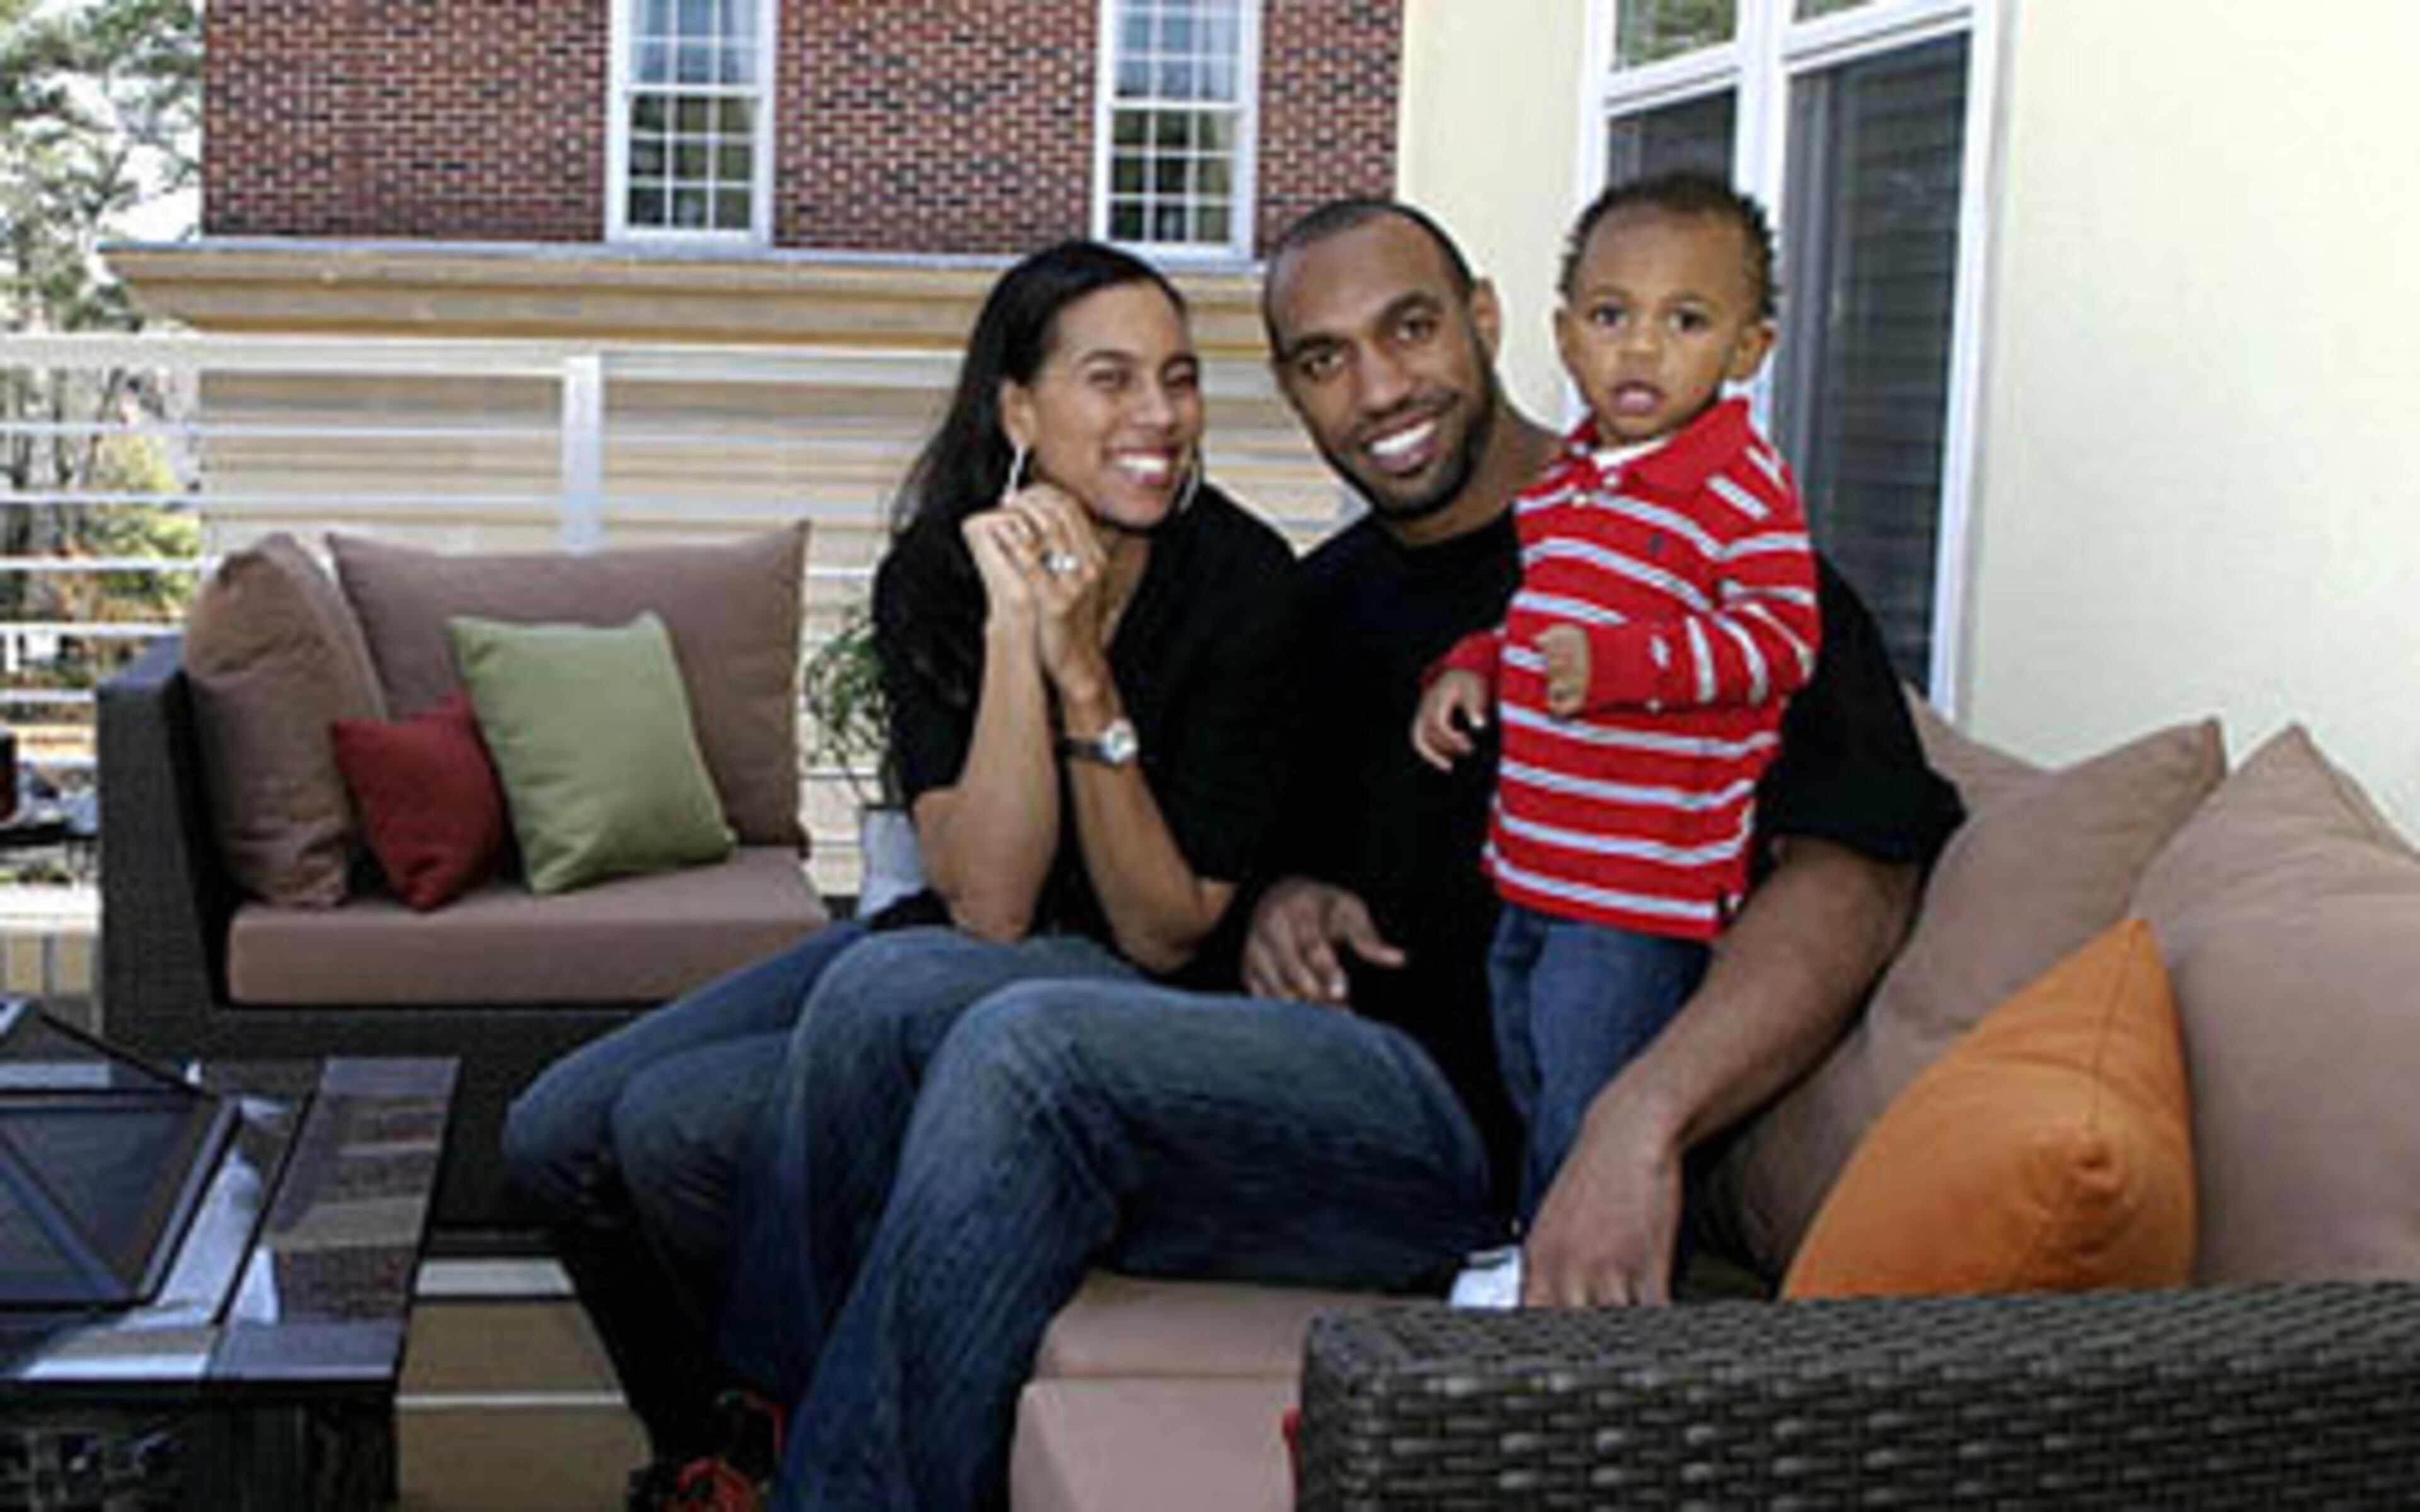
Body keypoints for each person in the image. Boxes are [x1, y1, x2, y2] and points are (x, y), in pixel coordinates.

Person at [717, 199, 1959, 1510]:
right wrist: (1281, 896)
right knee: (846, 1027)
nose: (1377, 389)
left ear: (1483, 323)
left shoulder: (1705, 563)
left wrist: (1639, 1119)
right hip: (1294, 1079)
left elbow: (1858, 874)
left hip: (1466, 1137)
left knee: (1027, 1050)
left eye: (1409, 329)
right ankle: (761, 1452)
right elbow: (1236, 863)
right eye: (1321, 359)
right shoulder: (1327, 602)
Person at [506, 239, 1298, 1509]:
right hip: (942, 948)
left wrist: (1079, 668)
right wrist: (1011, 627)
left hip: (1114, 996)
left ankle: (771, 1441)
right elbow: (981, 889)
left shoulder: (1248, 590)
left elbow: (1151, 930)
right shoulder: (934, 570)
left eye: (1181, 377)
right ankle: (718, 1443)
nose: (1157, 415)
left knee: (670, 1130)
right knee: (553, 1131)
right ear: (1020, 411)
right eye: (1111, 379)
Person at [1410, 174, 1818, 1224]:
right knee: (1530, 1074)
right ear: (1564, 334)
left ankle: (1563, 1311)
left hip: (1637, 895)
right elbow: (1542, 625)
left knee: (1588, 1105)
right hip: (1534, 863)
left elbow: (1780, 641)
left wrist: (1627, 666)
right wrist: (1472, 665)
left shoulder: (1740, 487)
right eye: (1610, 316)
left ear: (1747, 351)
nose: (1640, 349)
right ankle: (1533, 1251)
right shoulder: (1568, 482)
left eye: (1685, 321)